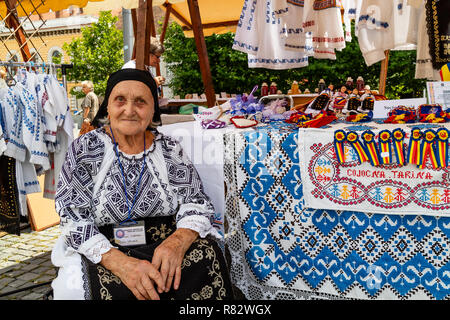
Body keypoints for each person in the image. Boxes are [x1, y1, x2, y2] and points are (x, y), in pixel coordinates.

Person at [51, 68, 233, 300]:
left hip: (164, 243)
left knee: (210, 257)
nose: (129, 110)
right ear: (107, 106)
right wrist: (119, 263)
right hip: (105, 246)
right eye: (120, 100)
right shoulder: (86, 149)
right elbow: (72, 216)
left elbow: (195, 200)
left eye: (140, 102)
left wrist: (177, 243)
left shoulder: (169, 148)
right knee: (74, 289)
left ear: (152, 109)